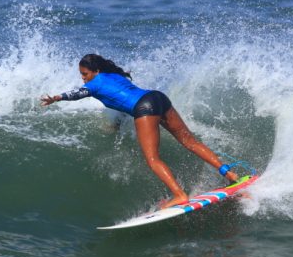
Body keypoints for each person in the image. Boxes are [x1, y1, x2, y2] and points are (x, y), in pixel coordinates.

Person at [40, 54, 239, 209]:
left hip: (144, 108)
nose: (84, 79)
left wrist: (56, 98)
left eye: (85, 74)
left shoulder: (94, 84)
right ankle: (229, 174)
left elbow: (77, 93)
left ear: (95, 71)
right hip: (158, 97)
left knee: (153, 159)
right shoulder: (114, 75)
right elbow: (122, 98)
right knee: (190, 142)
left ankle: (179, 195)